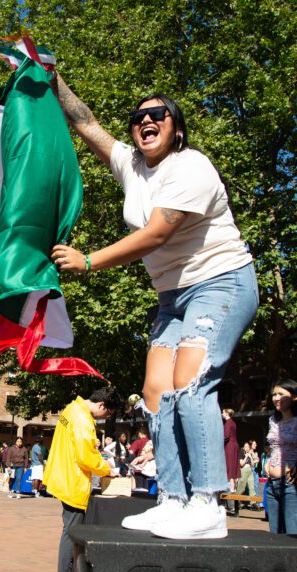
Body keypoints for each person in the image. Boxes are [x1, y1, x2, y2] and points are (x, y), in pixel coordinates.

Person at [52, 78, 257, 539]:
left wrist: (89, 260)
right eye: (138, 117)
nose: (146, 120)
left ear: (177, 129)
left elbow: (158, 232)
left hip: (220, 283)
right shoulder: (132, 166)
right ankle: (173, 498)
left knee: (190, 381)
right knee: (156, 392)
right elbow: (87, 125)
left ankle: (207, 504)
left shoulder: (192, 167)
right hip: (173, 297)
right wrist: (54, 80)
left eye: (158, 114)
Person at [43, 388, 123, 572]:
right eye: (108, 414)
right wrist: (107, 468)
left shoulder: (72, 409)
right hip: (73, 480)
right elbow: (86, 457)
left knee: (69, 528)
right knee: (72, 531)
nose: (106, 418)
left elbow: (76, 445)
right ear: (102, 405)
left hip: (62, 474)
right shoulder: (83, 420)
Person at [264, 378, 297, 534]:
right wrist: (268, 462)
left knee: (292, 536)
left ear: (294, 397)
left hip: (291, 486)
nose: (276, 398)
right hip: (271, 485)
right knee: (275, 537)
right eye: (274, 394)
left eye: (281, 394)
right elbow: (275, 445)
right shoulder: (273, 420)